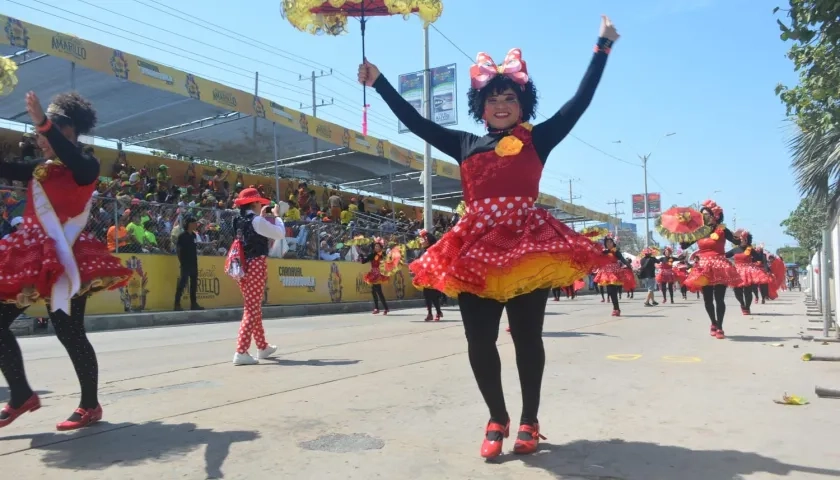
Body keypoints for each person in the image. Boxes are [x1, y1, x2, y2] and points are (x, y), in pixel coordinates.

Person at [359, 15, 618, 458]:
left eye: (510, 97)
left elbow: (580, 102)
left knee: (526, 337)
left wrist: (602, 47)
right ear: (480, 106)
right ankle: (496, 417)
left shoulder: (540, 139)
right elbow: (417, 123)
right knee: (478, 340)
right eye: (493, 98)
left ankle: (530, 420)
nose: (501, 104)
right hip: (475, 249)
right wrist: (379, 80)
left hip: (526, 247)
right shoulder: (463, 144)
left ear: (523, 104)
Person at [0, 91, 133, 430]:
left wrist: (44, 124)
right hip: (30, 256)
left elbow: (74, 161)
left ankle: (90, 406)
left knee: (69, 332)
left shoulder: (86, 164)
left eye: (50, 129)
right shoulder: (38, 168)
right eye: (40, 130)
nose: (40, 137)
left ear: (70, 129)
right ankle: (20, 394)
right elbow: (5, 167)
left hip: (67, 258)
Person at [229, 188, 288, 365]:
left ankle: (262, 347)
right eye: (259, 203)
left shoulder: (238, 220)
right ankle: (241, 351)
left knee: (253, 307)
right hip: (255, 264)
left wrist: (262, 217)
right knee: (252, 309)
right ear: (254, 203)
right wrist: (277, 216)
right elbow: (279, 233)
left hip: (240, 266)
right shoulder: (255, 220)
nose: (261, 205)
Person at [681, 200, 741, 339]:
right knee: (707, 300)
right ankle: (713, 322)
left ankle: (720, 326)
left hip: (720, 265)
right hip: (703, 267)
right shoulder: (699, 231)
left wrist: (739, 236)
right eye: (702, 215)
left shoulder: (722, 229)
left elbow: (736, 242)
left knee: (719, 299)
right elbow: (684, 246)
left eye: (707, 214)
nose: (705, 217)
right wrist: (684, 232)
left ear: (716, 215)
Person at [726, 231, 772, 316]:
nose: (742, 240)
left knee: (748, 292)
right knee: (737, 291)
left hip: (748, 272)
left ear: (747, 240)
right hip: (737, 272)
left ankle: (747, 307)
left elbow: (759, 258)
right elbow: (725, 255)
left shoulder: (750, 249)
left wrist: (761, 250)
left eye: (744, 239)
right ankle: (742, 304)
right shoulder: (735, 249)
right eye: (741, 239)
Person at [593, 235, 632, 316]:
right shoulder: (604, 251)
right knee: (610, 291)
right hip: (606, 272)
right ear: (605, 243)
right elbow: (597, 257)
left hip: (614, 272)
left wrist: (628, 265)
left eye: (610, 242)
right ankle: (616, 308)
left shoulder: (615, 251)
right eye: (607, 242)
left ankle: (616, 309)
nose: (609, 243)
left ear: (613, 243)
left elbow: (622, 259)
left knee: (613, 291)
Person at [174, 215, 203, 311]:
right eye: (194, 223)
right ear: (189, 224)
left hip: (193, 263)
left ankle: (194, 304)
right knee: (182, 284)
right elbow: (178, 250)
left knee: (194, 284)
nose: (196, 225)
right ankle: (177, 304)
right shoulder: (182, 236)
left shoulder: (194, 235)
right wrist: (182, 262)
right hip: (185, 264)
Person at [416, 230, 443, 321]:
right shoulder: (421, 252)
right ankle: (430, 313)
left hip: (433, 276)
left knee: (433, 295)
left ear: (428, 240)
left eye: (423, 240)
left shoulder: (434, 250)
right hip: (424, 276)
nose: (422, 241)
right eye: (421, 240)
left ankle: (438, 312)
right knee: (426, 295)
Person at [360, 238, 392, 315]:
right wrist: (361, 256)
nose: (376, 248)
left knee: (379, 292)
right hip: (373, 274)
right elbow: (363, 262)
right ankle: (378, 308)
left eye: (378, 246)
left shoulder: (383, 254)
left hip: (379, 274)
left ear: (381, 247)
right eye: (375, 246)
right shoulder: (372, 255)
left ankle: (385, 308)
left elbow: (388, 262)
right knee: (374, 292)